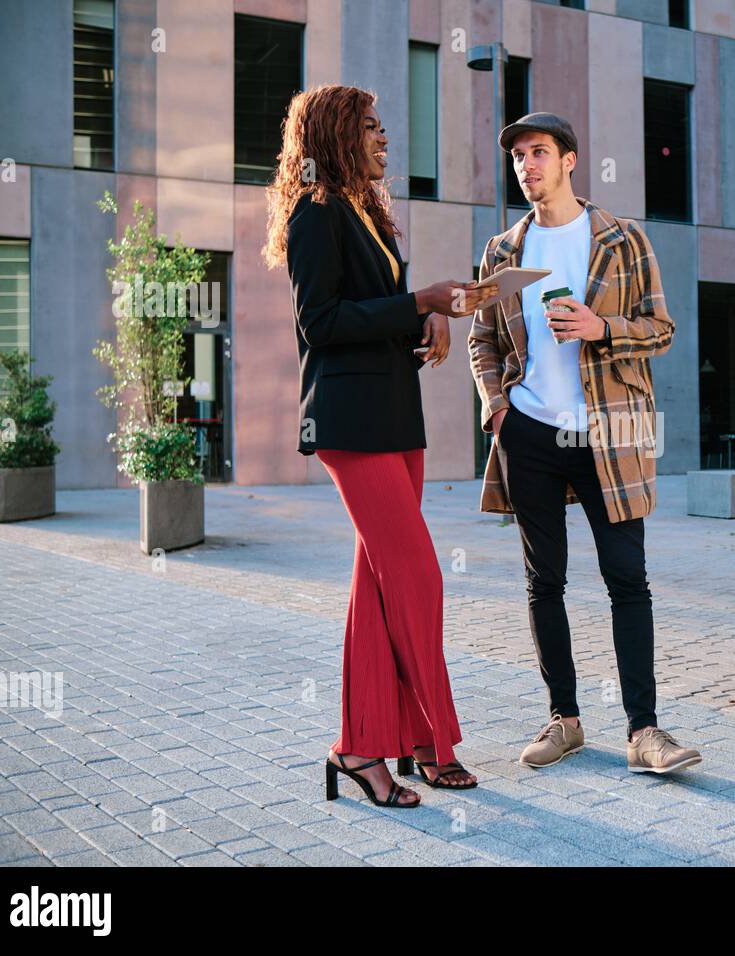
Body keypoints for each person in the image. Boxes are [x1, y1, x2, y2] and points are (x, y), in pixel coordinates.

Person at [263, 84, 487, 807]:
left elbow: (376, 309)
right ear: (334, 135)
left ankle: (364, 747)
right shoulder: (315, 212)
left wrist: (428, 319)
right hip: (350, 423)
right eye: (369, 127)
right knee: (420, 577)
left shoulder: (368, 214)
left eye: (383, 126)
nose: (384, 137)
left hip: (397, 416)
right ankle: (430, 737)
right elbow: (319, 322)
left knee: (380, 588)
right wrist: (416, 301)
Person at [467, 112, 701, 774]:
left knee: (628, 579)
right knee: (545, 581)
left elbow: (662, 328)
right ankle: (564, 721)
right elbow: (482, 338)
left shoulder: (623, 241)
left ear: (570, 160)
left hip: (611, 429)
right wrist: (497, 409)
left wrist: (602, 327)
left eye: (539, 152)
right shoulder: (503, 252)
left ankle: (644, 731)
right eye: (518, 157)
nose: (527, 165)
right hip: (531, 430)